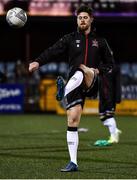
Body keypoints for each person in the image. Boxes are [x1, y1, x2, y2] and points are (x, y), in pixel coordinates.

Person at [29, 4, 115, 172]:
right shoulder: (69, 38)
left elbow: (111, 65)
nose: (82, 20)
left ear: (91, 19)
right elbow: (52, 51)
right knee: (72, 121)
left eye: (85, 17)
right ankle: (73, 162)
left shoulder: (101, 41)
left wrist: (98, 70)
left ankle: (63, 91)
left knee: (82, 68)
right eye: (79, 18)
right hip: (74, 84)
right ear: (77, 20)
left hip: (92, 81)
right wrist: (38, 61)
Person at [95, 65, 122, 146]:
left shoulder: (115, 67)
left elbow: (118, 83)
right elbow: (97, 81)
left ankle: (113, 137)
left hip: (111, 96)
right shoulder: (100, 67)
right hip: (102, 96)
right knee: (102, 117)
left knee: (109, 116)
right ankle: (115, 130)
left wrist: (118, 97)